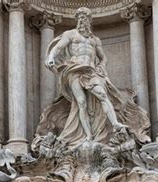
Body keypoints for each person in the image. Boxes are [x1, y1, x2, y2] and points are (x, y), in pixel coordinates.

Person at [43, 7, 149, 149]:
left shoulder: (95, 40)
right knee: (81, 102)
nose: (82, 20)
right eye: (80, 17)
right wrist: (51, 57)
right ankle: (88, 136)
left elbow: (103, 58)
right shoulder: (70, 34)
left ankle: (115, 124)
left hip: (91, 71)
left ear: (89, 21)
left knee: (103, 95)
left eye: (85, 17)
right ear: (77, 20)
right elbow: (58, 48)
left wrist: (102, 66)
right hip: (74, 70)